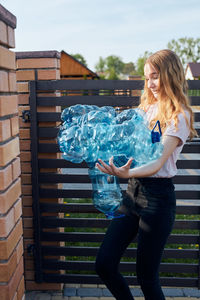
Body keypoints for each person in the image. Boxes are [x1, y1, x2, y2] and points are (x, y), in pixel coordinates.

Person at [95, 49, 197, 300]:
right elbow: (139, 149)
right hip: (133, 195)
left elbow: (156, 163)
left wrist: (124, 172)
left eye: (155, 77)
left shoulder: (179, 116)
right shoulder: (147, 108)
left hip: (157, 201)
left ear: (170, 75)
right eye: (147, 78)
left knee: (147, 278)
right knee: (104, 264)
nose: (149, 84)